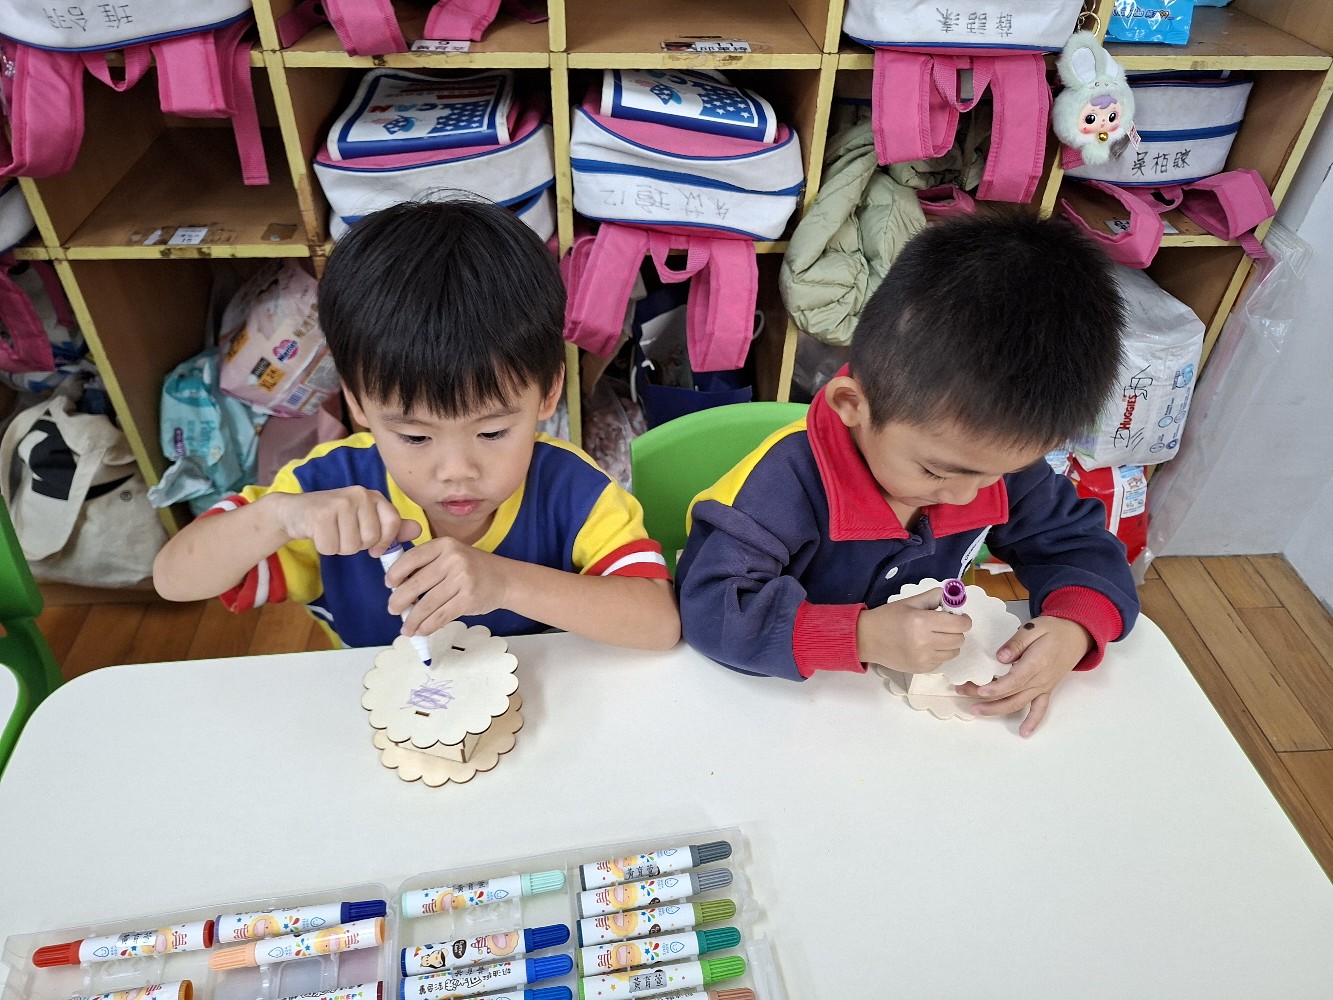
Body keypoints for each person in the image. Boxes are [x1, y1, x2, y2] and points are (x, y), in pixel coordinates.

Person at [675, 213, 1140, 735]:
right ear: (852, 405)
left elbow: (1080, 545)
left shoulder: (989, 465)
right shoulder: (782, 482)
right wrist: (860, 636)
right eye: (936, 471)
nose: (965, 496)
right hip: (783, 716)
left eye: (997, 475)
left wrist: (1074, 626)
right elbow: (709, 606)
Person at [154, 199, 680, 652]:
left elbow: (658, 623)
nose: (456, 471)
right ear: (358, 404)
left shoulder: (572, 491)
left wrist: (505, 583)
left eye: (492, 432)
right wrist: (279, 517)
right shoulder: (325, 488)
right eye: (415, 437)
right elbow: (175, 578)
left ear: (547, 393)